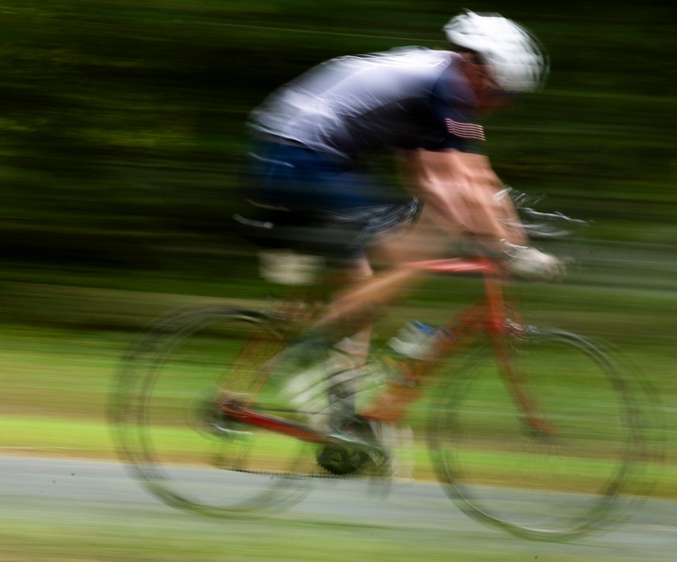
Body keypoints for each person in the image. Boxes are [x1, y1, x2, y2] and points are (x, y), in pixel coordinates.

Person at [238, 11, 563, 460]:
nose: (499, 102)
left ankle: (343, 426)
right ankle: (305, 356)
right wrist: (508, 247)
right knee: (409, 256)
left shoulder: (443, 90)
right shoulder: (442, 87)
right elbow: (453, 181)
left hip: (315, 158)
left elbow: (464, 178)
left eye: (508, 98)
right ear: (476, 65)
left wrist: (510, 235)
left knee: (381, 274)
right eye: (498, 91)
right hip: (298, 156)